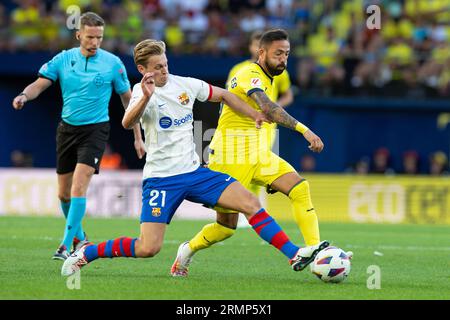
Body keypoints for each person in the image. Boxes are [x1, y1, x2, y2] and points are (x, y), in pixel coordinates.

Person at [61, 39, 329, 277]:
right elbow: (127, 121)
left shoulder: (185, 85)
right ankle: (88, 253)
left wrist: (254, 114)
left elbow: (223, 95)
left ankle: (294, 254)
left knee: (249, 202)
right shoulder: (141, 92)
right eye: (157, 67)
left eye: (165, 64)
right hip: (161, 180)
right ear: (143, 70)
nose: (164, 70)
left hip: (194, 172)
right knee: (148, 247)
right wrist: (145, 97)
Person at [171, 29, 331, 277]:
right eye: (278, 54)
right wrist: (304, 130)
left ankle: (315, 252)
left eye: (287, 54)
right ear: (261, 52)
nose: (283, 59)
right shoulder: (247, 73)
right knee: (226, 227)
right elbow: (268, 107)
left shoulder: (273, 76)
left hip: (258, 153)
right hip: (229, 156)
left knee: (300, 189)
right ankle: (187, 249)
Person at [12, 12, 146, 261]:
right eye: (91, 37)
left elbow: (129, 101)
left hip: (95, 130)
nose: (95, 42)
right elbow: (40, 83)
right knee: (63, 194)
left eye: (100, 37)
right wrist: (23, 96)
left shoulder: (112, 64)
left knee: (78, 186)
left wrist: (138, 137)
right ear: (78, 35)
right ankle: (82, 238)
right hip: (67, 129)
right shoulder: (63, 60)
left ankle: (65, 246)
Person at [226, 30, 294, 227]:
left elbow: (288, 95)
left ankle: (252, 209)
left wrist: (275, 108)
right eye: (256, 45)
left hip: (266, 125)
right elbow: (230, 96)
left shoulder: (280, 71)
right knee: (243, 165)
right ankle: (240, 207)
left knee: (259, 162)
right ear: (253, 48)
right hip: (243, 123)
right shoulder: (239, 69)